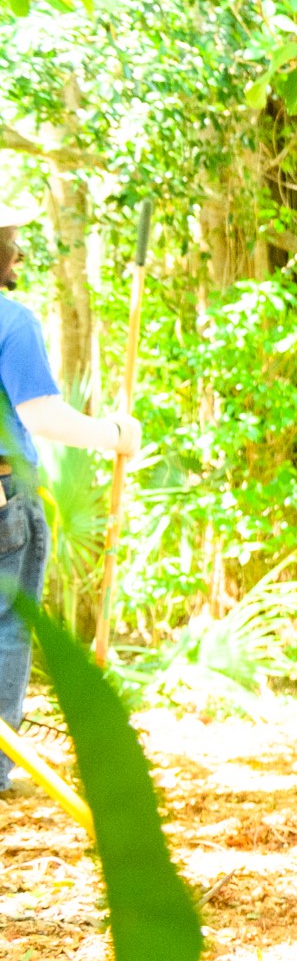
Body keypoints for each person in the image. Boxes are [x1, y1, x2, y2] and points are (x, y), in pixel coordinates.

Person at [0, 222, 140, 759]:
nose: (19, 254)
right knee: (8, 628)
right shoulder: (12, 321)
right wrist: (114, 435)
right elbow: (42, 416)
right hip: (4, 496)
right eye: (11, 242)